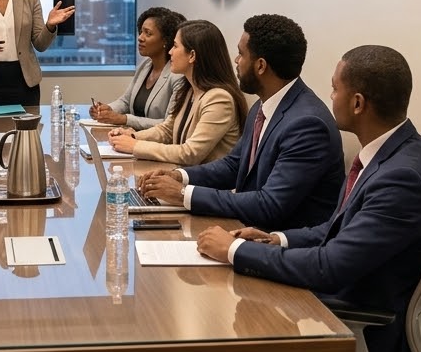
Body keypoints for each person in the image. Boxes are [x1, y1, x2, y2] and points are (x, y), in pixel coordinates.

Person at [174, 45, 421, 352]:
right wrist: (275, 239)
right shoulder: (392, 153)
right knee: (210, 324)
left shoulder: (402, 177)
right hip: (342, 308)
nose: (330, 95)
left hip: (356, 336)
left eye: (336, 87)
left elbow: (330, 267)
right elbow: (333, 230)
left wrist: (234, 253)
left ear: (358, 102)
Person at [137, 14, 343, 229]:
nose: (236, 61)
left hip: (278, 244)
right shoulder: (264, 105)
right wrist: (179, 176)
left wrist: (183, 194)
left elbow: (270, 205)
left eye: (241, 54)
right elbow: (234, 165)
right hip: (245, 227)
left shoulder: (307, 124)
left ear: (260, 65)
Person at [108, 20, 246, 166]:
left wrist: (134, 146)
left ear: (192, 55)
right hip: (181, 175)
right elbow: (168, 129)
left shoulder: (219, 99)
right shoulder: (189, 90)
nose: (170, 52)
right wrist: (133, 136)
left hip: (204, 185)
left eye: (175, 46)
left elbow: (190, 154)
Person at [88, 7, 186, 129]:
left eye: (148, 33)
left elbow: (169, 125)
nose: (140, 37)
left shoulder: (177, 76)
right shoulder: (145, 66)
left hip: (156, 144)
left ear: (165, 40)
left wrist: (124, 119)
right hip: (131, 137)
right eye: (141, 32)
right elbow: (126, 101)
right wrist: (107, 110)